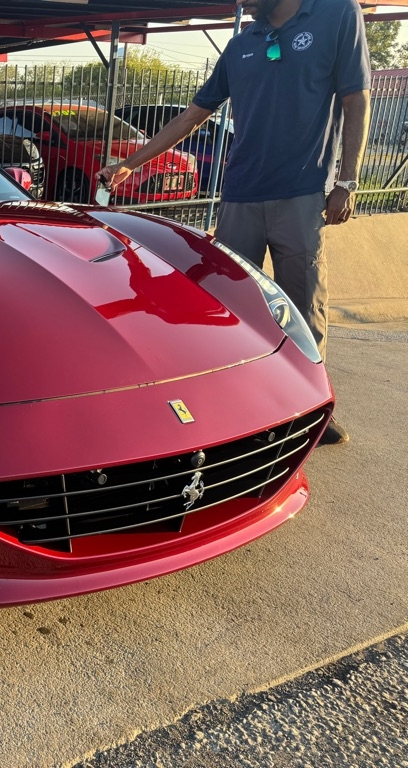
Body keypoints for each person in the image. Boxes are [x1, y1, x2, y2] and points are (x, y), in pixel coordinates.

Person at [98, 0, 370, 446]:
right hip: (240, 195)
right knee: (233, 310)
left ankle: (311, 411)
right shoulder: (242, 43)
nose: (242, 3)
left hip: (301, 193)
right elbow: (193, 115)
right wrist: (130, 163)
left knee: (303, 307)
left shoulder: (337, 13)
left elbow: (356, 97)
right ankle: (242, 414)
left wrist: (348, 180)